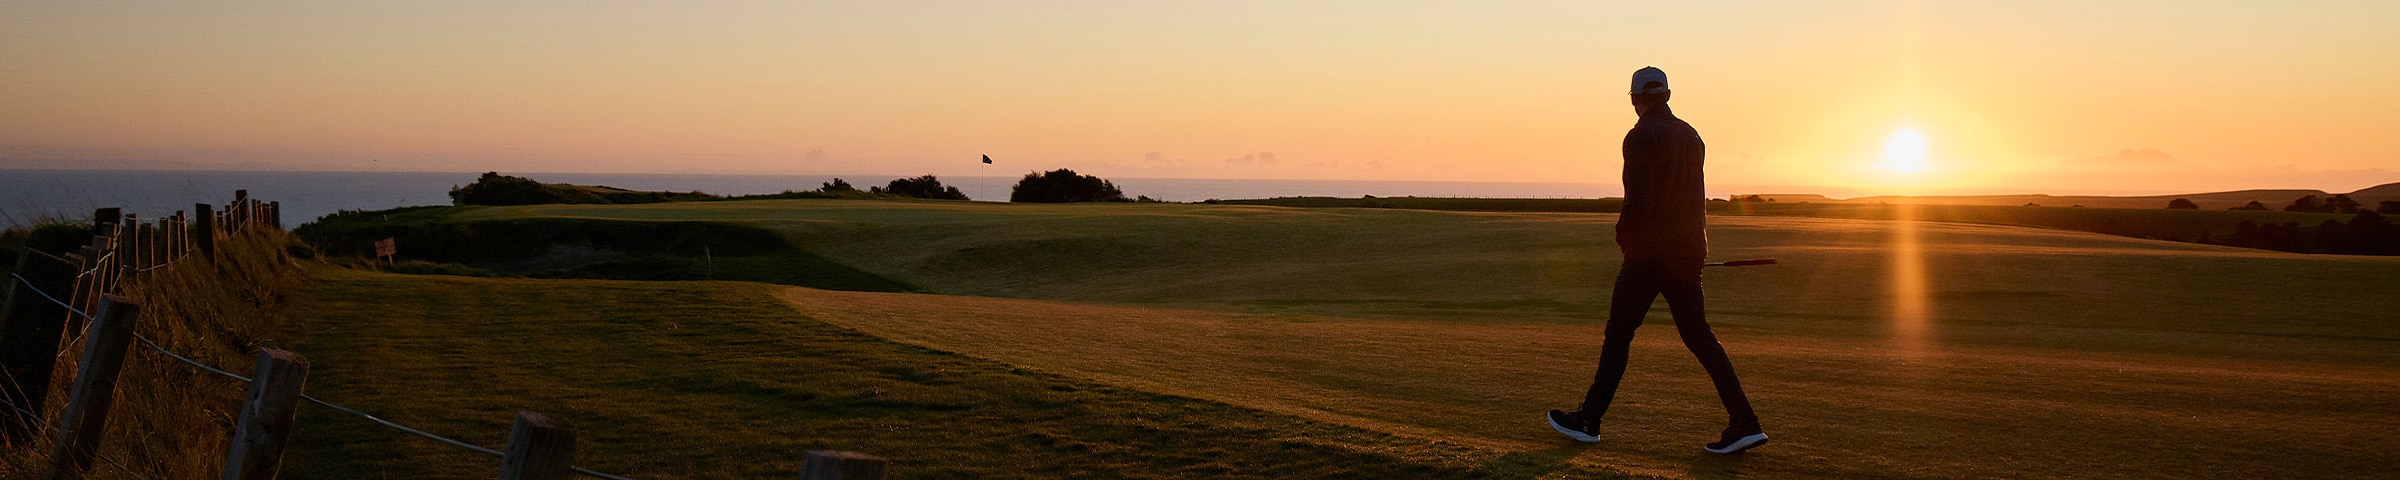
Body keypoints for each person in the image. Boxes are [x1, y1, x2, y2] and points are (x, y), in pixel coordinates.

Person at [1546, 66, 1767, 454]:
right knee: (1700, 337)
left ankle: (1588, 420)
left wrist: (1625, 237)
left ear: (1636, 99)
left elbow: (1639, 199)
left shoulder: (1639, 136)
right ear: (1666, 94)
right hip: (1688, 251)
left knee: (1618, 335)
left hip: (1649, 255)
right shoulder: (1691, 135)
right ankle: (1744, 422)